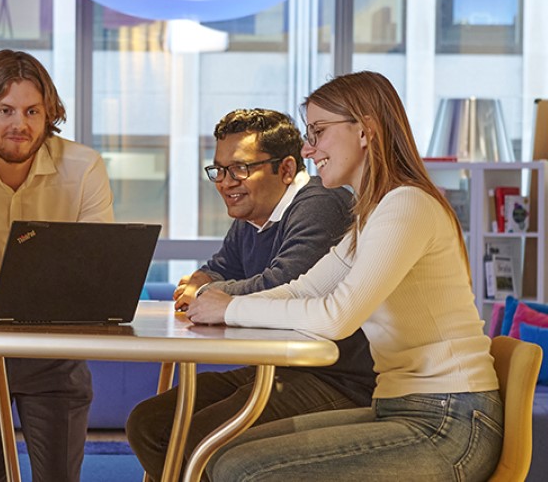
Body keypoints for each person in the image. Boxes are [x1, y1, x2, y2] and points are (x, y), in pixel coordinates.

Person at [188, 72, 503, 481]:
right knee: (222, 454)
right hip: (403, 407)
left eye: (318, 132)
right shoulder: (370, 216)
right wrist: (225, 306)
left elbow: (338, 316)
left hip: (448, 420)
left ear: (365, 131)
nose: (307, 148)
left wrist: (229, 309)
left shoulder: (406, 206)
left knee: (241, 469)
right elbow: (305, 289)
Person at [126, 108, 375, 481]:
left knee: (200, 438)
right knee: (149, 422)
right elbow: (219, 268)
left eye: (240, 169)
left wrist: (207, 291)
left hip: (339, 377)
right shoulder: (252, 216)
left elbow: (284, 285)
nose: (226, 182)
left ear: (286, 169)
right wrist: (203, 284)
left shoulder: (321, 202)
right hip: (280, 367)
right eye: (219, 170)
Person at [0, 49, 114, 482]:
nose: (21, 124)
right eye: (5, 110)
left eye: (33, 111)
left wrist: (18, 288)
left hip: (55, 345)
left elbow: (100, 262)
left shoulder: (83, 165)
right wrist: (6, 286)